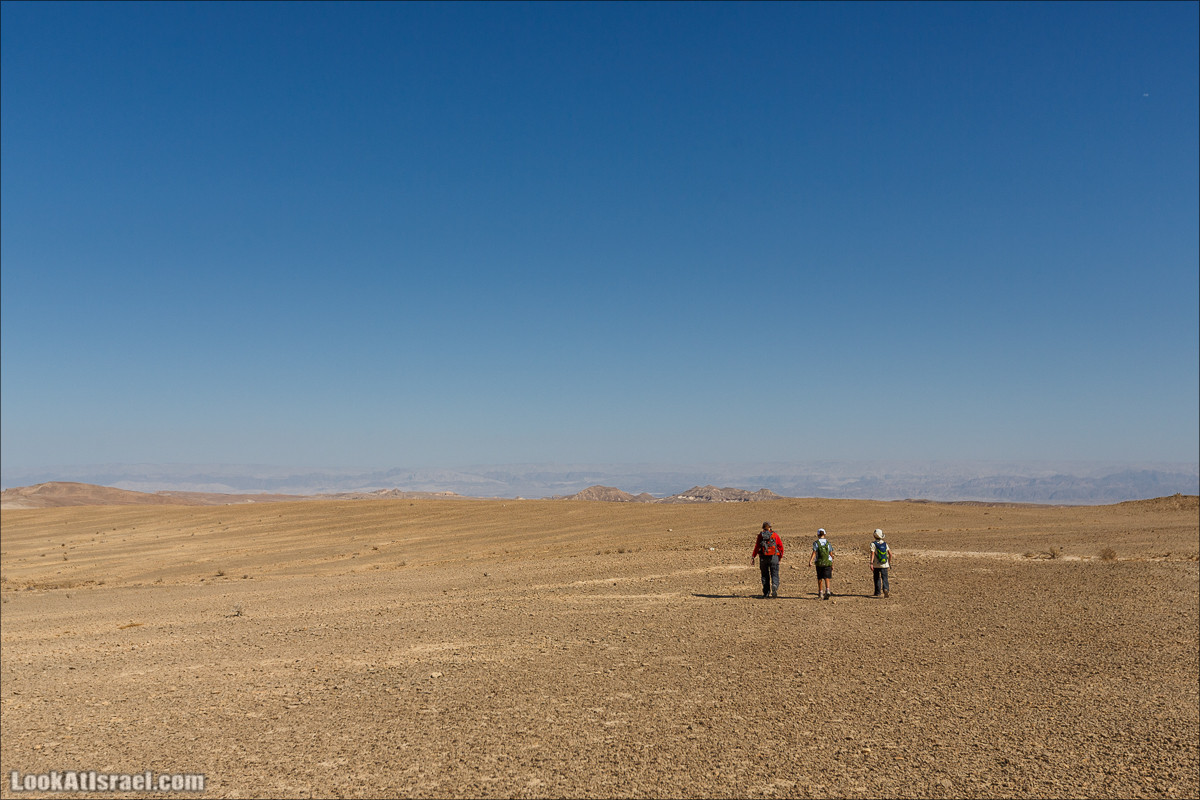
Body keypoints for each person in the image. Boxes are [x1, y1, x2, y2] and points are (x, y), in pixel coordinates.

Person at [751, 522, 784, 598]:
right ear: (770, 527)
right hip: (774, 557)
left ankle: (766, 593)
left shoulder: (761, 535)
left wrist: (753, 556)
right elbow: (780, 546)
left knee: (765, 575)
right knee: (774, 573)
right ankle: (775, 585)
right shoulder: (774, 535)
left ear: (763, 528)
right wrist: (780, 557)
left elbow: (757, 547)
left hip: (763, 557)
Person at [809, 528, 835, 599]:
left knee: (820, 577)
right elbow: (831, 554)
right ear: (825, 534)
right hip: (827, 562)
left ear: (817, 535)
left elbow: (814, 552)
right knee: (827, 577)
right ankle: (828, 590)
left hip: (819, 562)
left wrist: (810, 561)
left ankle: (820, 593)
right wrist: (832, 564)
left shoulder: (816, 543)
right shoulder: (828, 543)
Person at [869, 528, 891, 598]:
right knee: (885, 578)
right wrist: (889, 563)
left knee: (877, 578)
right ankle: (886, 589)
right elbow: (890, 554)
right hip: (885, 564)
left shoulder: (873, 544)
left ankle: (877, 592)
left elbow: (872, 554)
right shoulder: (885, 544)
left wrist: (871, 563)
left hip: (876, 565)